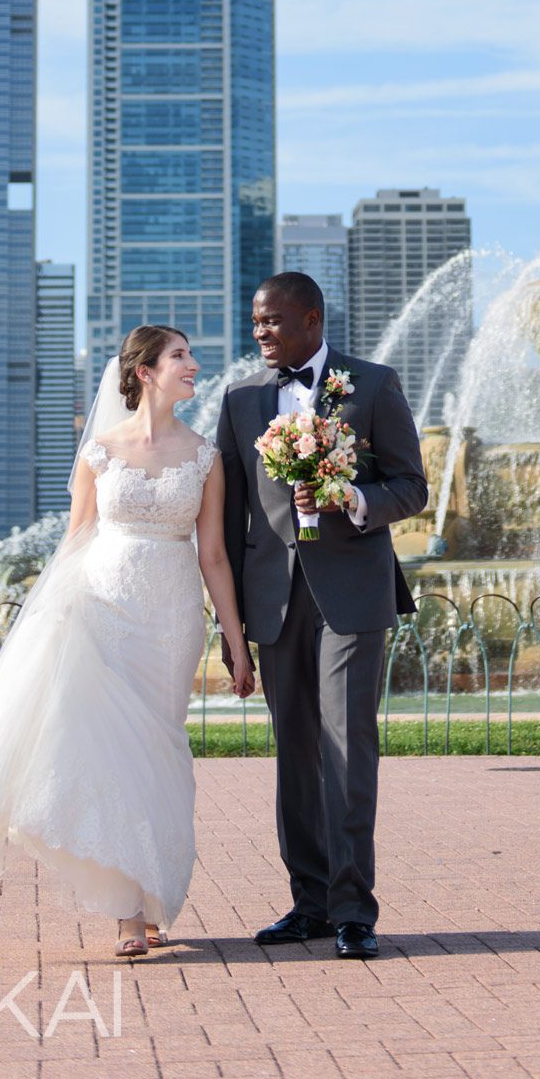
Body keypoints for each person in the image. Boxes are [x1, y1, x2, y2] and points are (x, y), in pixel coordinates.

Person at [0, 326, 255, 958]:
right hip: (102, 608)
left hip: (173, 614)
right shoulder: (99, 452)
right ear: (145, 372)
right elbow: (75, 542)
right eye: (180, 355)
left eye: (189, 355)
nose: (193, 364)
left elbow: (212, 556)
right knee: (110, 756)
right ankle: (129, 911)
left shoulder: (206, 457)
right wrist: (50, 617)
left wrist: (235, 643)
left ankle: (153, 894)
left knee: (161, 750)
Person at [215, 271, 428, 960]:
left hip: (352, 594)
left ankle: (352, 910)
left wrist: (355, 500)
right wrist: (231, 625)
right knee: (296, 754)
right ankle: (307, 904)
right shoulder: (241, 399)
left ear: (310, 318)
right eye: (255, 322)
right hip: (272, 599)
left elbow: (410, 486)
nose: (260, 332)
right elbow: (228, 516)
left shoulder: (373, 383)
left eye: (272, 321)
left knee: (346, 745)